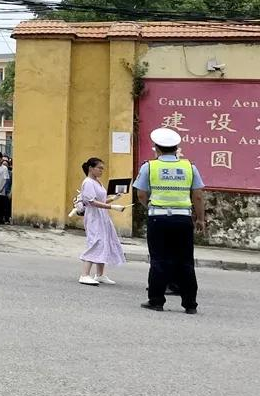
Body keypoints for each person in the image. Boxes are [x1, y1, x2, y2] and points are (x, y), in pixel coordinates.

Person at [134, 128, 205, 314]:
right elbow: (198, 195)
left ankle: (156, 301)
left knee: (158, 260)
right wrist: (200, 219)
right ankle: (190, 304)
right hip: (183, 219)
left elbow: (141, 193)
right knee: (186, 261)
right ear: (177, 149)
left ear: (156, 148)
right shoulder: (190, 167)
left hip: (158, 218)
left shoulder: (149, 166)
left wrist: (149, 206)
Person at [77, 157, 127, 286]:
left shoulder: (98, 182)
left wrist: (113, 199)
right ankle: (84, 274)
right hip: (94, 216)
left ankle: (100, 274)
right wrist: (112, 207)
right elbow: (91, 202)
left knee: (104, 241)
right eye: (99, 168)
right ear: (91, 168)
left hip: (102, 216)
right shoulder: (88, 182)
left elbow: (101, 201)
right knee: (96, 241)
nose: (101, 171)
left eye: (102, 169)